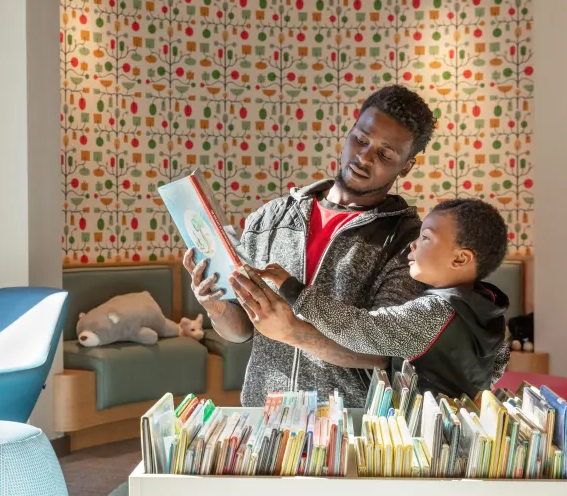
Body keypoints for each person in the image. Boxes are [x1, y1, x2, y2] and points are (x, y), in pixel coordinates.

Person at [182, 84, 436, 407]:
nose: (364, 156)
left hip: (347, 430)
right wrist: (215, 306)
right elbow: (242, 330)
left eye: (385, 154)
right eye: (360, 139)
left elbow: (382, 352)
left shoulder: (407, 242)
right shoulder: (270, 218)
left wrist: (293, 333)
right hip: (265, 420)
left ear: (407, 166)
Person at [231, 198, 512, 400]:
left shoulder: (435, 313)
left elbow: (359, 329)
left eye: (425, 238)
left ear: (460, 258)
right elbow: (494, 371)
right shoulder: (494, 312)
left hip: (426, 434)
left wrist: (293, 289)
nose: (413, 244)